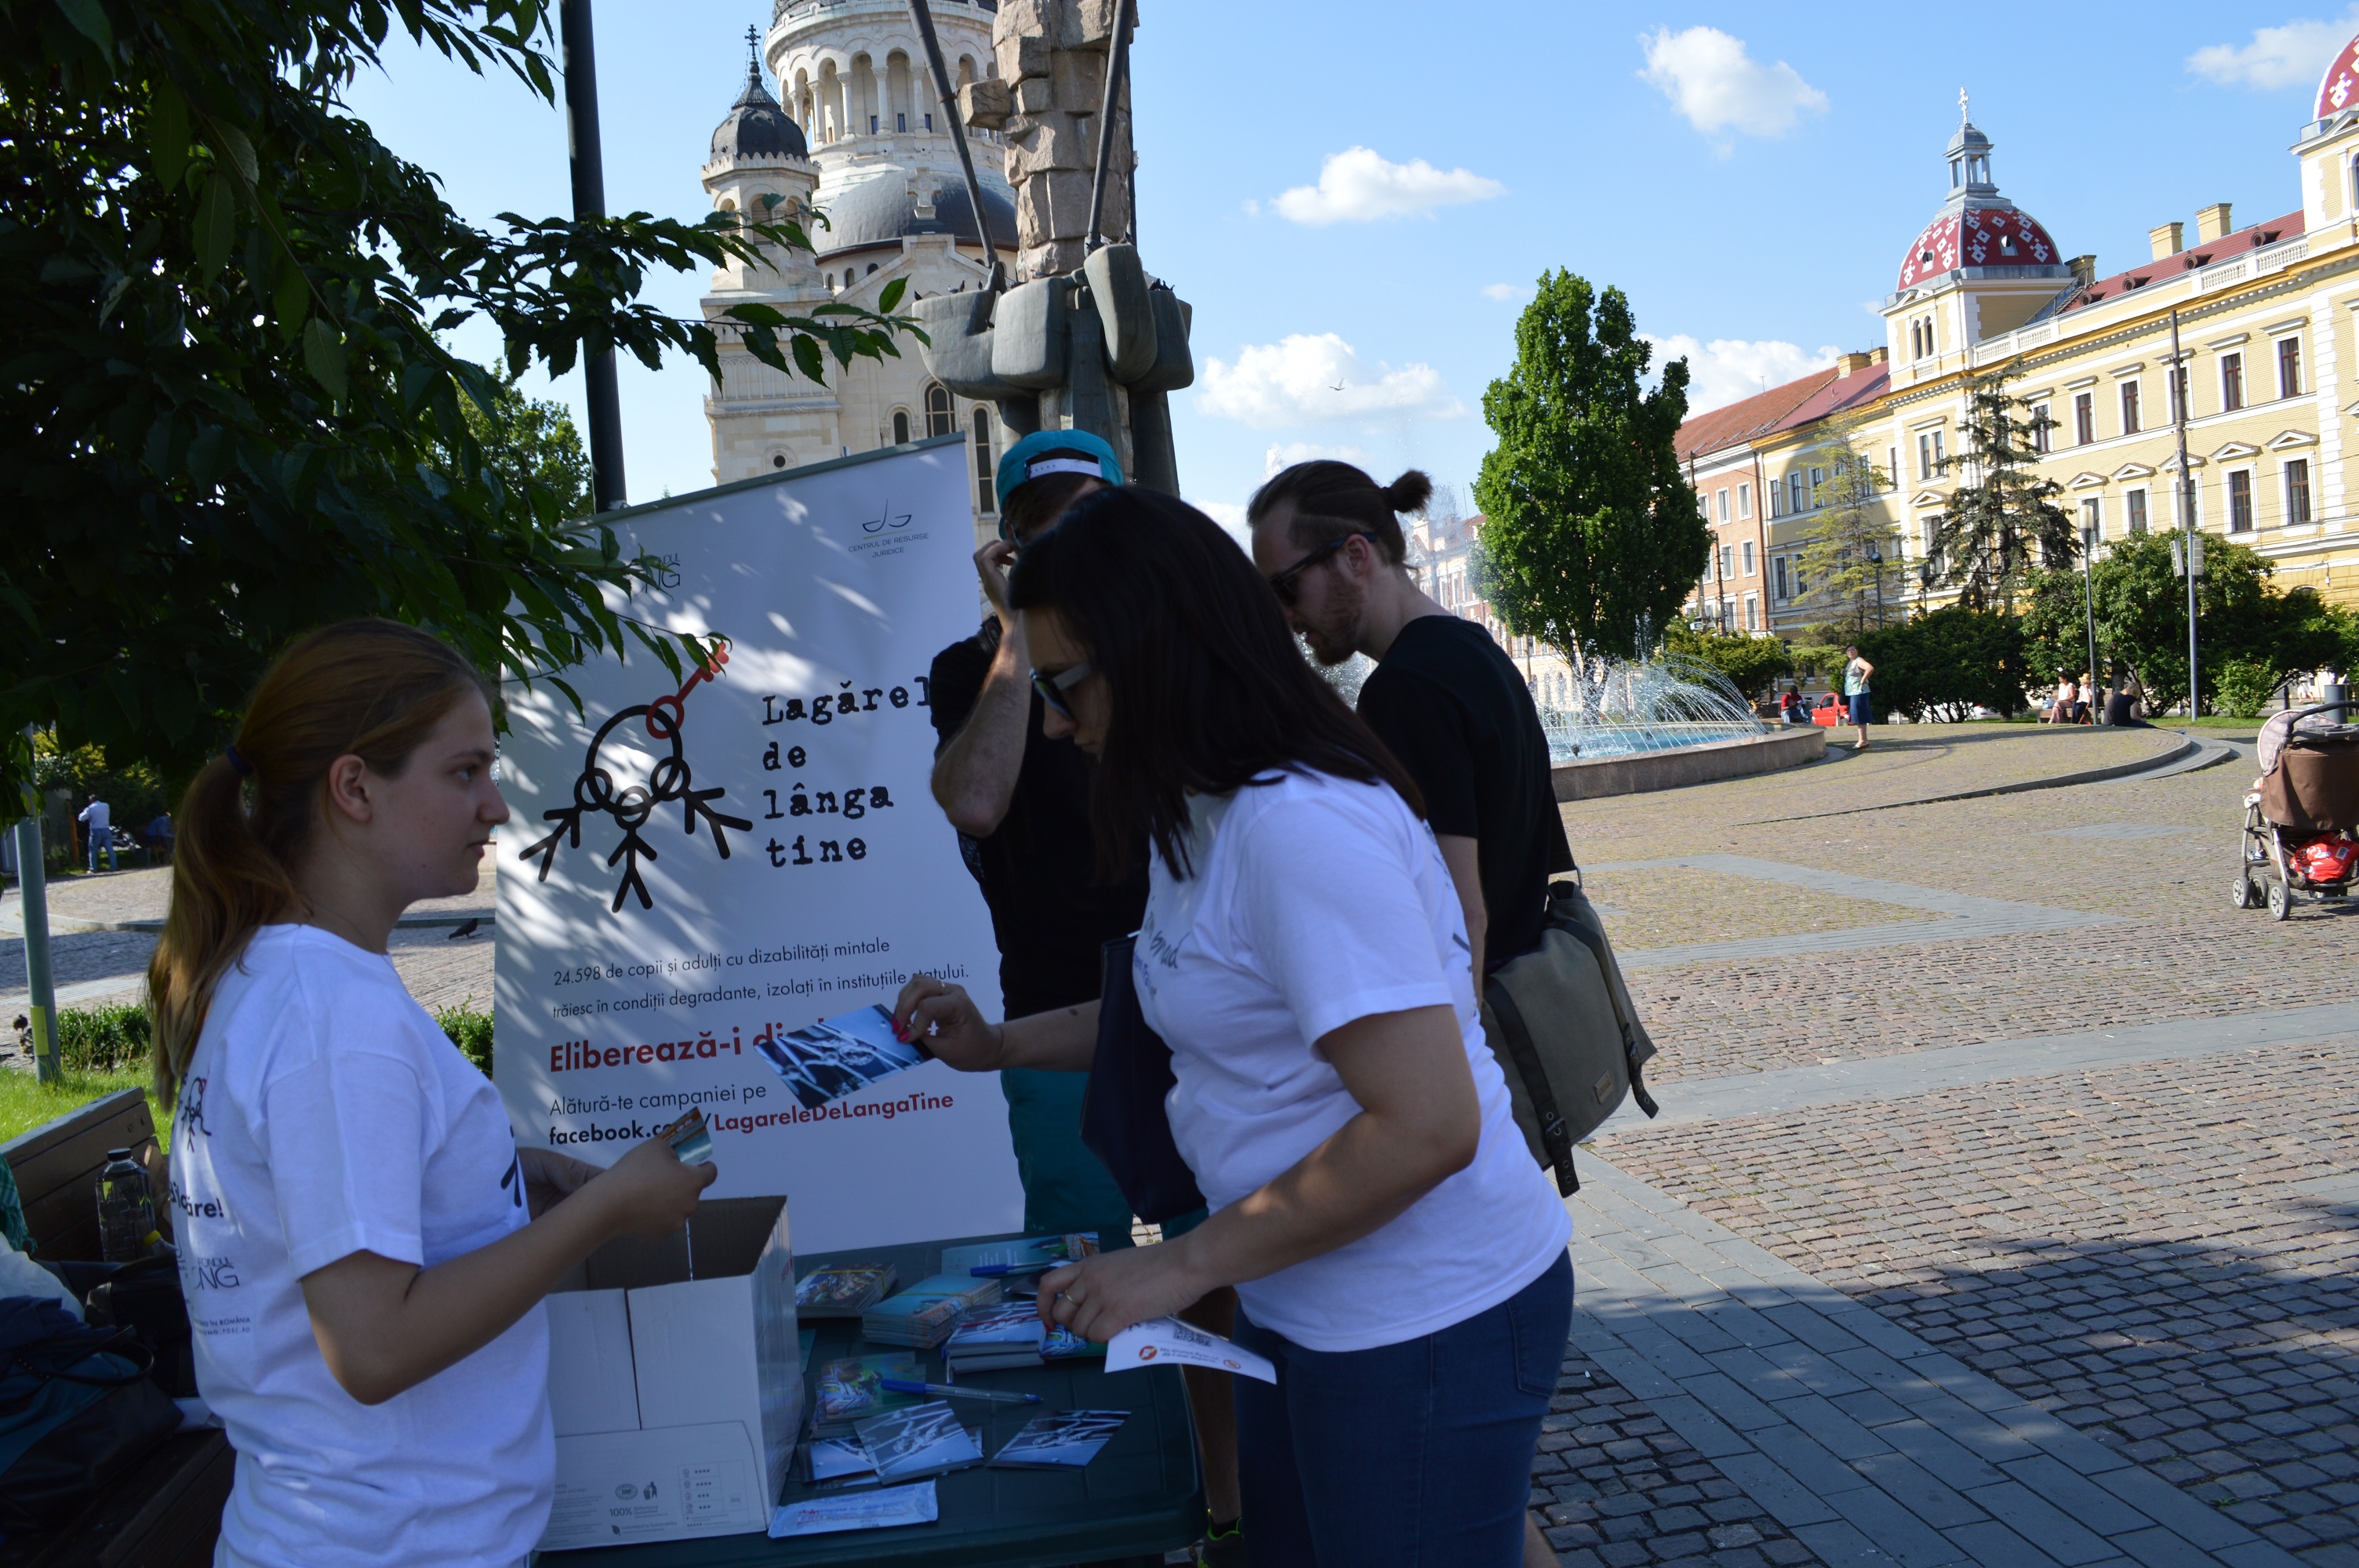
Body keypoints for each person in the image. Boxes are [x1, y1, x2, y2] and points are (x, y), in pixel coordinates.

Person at [896, 488, 1574, 1567]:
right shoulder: (1198, 806)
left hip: (1418, 1317)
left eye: (1065, 683)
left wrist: (1175, 1269)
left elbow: (1427, 1124)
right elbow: (1176, 1002)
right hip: (1305, 1299)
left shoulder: (1297, 826)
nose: (1058, 724)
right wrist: (1001, 1043)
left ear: (1160, 653)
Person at [149, 619, 714, 1568]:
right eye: (465, 771)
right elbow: (371, 1346)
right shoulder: (332, 1015)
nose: (495, 805)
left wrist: (496, 1180)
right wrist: (608, 1207)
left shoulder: (282, 979)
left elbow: (329, 1228)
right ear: (355, 786)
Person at [1246, 460, 1574, 1568]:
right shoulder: (1475, 656)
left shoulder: (1407, 693)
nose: (1286, 623)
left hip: (1464, 1101)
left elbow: (1458, 914)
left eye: (1286, 590)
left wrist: (1435, 1073)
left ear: (1355, 557)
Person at [926, 430, 1245, 1561]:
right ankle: (1104, 1524)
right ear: (1006, 538)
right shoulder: (978, 671)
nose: (1069, 539)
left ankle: (1224, 1507)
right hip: (1068, 1013)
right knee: (1077, 1288)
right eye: (1046, 520)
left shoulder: (1156, 660)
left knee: (1218, 1280)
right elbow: (973, 800)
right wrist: (1024, 636)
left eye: (1089, 518)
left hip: (1186, 1004)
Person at [1843, 644, 1875, 748]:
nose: (1851, 652)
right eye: (1849, 650)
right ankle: (1864, 740)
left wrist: (1863, 680)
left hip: (1859, 692)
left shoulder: (1858, 660)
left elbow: (1870, 668)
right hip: (1853, 692)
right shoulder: (1851, 663)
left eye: (1853, 650)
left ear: (1857, 652)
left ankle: (1862, 740)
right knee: (1857, 715)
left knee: (1859, 715)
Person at [77, 793, 114, 874]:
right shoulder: (106, 806)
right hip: (106, 829)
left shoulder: (90, 808)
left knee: (93, 850)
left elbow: (81, 818)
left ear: (91, 801)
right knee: (110, 849)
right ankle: (114, 866)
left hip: (95, 830)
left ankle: (93, 868)